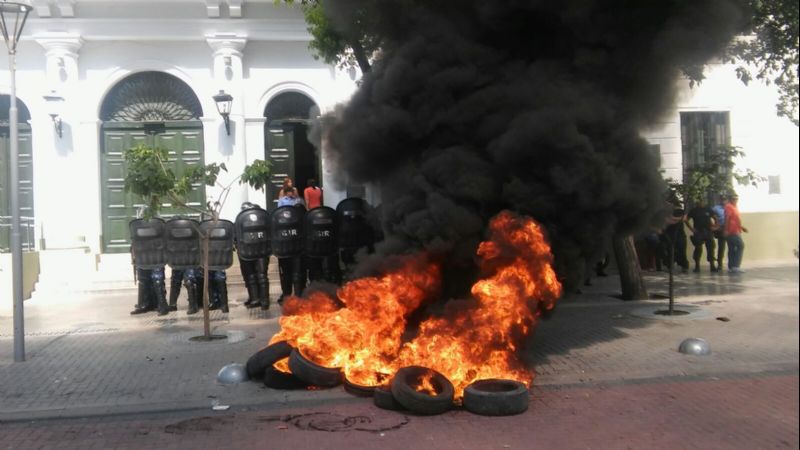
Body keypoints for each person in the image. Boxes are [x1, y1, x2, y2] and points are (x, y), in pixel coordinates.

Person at [685, 199, 718, 273]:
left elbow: (715, 218)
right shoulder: (693, 210)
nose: (700, 203)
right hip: (698, 232)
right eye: (698, 202)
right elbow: (686, 220)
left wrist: (715, 226)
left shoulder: (708, 209)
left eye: (702, 201)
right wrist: (692, 229)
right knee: (698, 249)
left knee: (710, 248)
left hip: (708, 231)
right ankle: (697, 267)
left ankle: (712, 266)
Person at [724, 194, 748, 273]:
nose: (736, 200)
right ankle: (736, 266)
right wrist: (726, 230)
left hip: (736, 230)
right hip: (732, 231)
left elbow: (736, 219)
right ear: (730, 199)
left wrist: (741, 227)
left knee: (732, 248)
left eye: (737, 199)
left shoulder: (735, 207)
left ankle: (731, 267)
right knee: (741, 245)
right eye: (734, 199)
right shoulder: (729, 207)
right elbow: (727, 219)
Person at [711, 195, 727, 274]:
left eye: (725, 199)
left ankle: (733, 265)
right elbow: (708, 215)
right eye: (722, 199)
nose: (723, 201)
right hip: (721, 229)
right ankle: (720, 264)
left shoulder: (730, 207)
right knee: (721, 247)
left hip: (730, 229)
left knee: (732, 246)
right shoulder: (716, 208)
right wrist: (714, 226)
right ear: (720, 200)